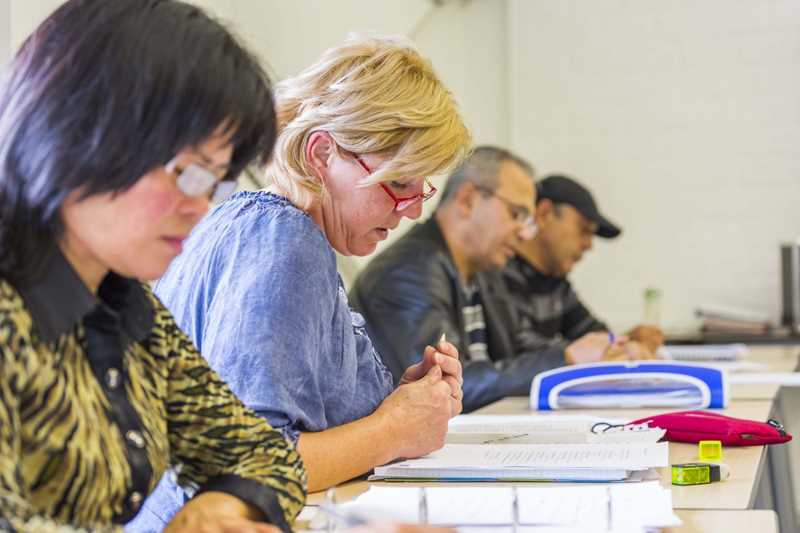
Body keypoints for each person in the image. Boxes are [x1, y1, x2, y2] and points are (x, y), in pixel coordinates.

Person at [134, 35, 470, 528]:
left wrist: (407, 404)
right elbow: (245, 469)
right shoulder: (283, 240)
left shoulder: (258, 225)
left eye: (421, 188)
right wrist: (394, 428)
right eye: (399, 183)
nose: (413, 210)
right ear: (321, 154)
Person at [0, 1, 308, 532]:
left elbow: (263, 451)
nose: (201, 207)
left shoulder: (124, 304)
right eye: (188, 173)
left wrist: (218, 511)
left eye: (216, 183)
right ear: (81, 130)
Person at [350, 147, 637, 413]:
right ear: (468, 200)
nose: (525, 233)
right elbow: (440, 387)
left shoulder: (483, 271)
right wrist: (565, 359)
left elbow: (516, 357)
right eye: (517, 214)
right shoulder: (407, 273)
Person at [505, 174, 664, 359]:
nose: (589, 245)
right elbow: (520, 353)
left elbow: (594, 335)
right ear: (544, 214)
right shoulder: (499, 275)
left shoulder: (556, 285)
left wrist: (624, 340)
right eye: (584, 230)